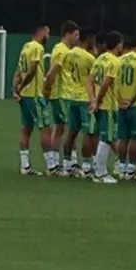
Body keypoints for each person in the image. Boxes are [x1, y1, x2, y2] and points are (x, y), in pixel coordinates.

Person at [41, 20, 79, 174]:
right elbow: (53, 71)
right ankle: (70, 163)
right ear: (68, 34)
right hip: (62, 95)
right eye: (75, 35)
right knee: (71, 128)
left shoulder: (64, 50)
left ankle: (57, 164)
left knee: (60, 129)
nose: (77, 38)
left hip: (63, 94)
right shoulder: (61, 50)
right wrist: (47, 89)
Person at [12, 24, 51, 175]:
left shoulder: (25, 47)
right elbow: (33, 69)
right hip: (34, 94)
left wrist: (15, 89)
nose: (48, 37)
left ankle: (25, 165)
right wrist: (22, 85)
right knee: (45, 128)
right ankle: (51, 165)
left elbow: (18, 70)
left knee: (26, 128)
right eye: (47, 34)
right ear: (41, 33)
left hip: (24, 96)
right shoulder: (37, 48)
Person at [86, 31, 123, 184]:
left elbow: (89, 81)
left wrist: (93, 99)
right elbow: (107, 83)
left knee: (104, 136)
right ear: (118, 44)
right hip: (107, 105)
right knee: (106, 138)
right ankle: (100, 172)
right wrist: (98, 101)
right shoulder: (115, 61)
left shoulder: (100, 59)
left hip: (100, 104)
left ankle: (99, 170)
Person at [60, 31, 97, 177]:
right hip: (84, 97)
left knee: (72, 131)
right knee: (89, 132)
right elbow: (93, 78)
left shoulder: (69, 54)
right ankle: (87, 166)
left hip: (71, 96)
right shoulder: (89, 58)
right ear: (88, 40)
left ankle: (67, 164)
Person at [114, 35, 136, 180]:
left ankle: (121, 167)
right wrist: (131, 101)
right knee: (135, 137)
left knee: (123, 137)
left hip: (121, 104)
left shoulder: (119, 60)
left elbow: (113, 83)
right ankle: (131, 168)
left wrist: (120, 100)